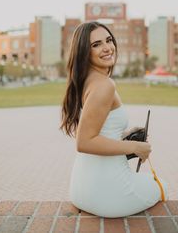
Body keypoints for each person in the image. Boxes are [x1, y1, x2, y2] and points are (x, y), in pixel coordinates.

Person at [60, 21, 168, 218]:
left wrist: (125, 136)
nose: (107, 48)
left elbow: (98, 130)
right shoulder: (104, 85)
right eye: (96, 44)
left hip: (81, 189)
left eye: (108, 40)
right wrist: (135, 148)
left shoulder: (87, 80)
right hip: (108, 194)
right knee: (162, 187)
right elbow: (84, 142)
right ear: (84, 51)